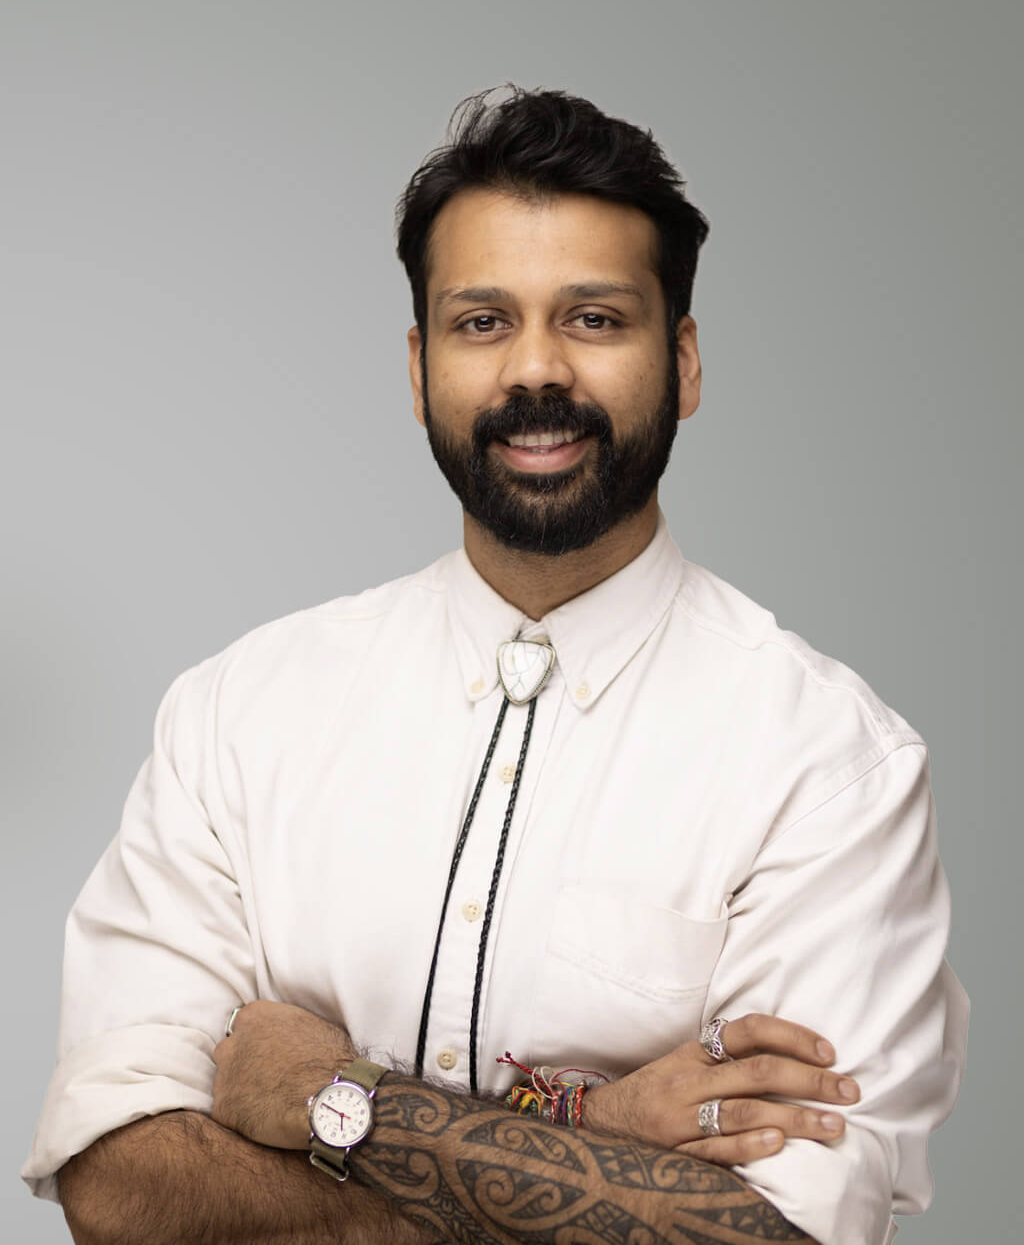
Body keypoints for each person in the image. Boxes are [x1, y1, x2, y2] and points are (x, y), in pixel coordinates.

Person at [23, 87, 967, 1245]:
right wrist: (599, 1127)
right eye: (481, 321)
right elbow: (119, 1185)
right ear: (418, 367)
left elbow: (770, 1234)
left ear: (684, 360)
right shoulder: (238, 712)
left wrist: (345, 1108)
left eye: (594, 318)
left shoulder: (829, 765)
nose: (535, 371)